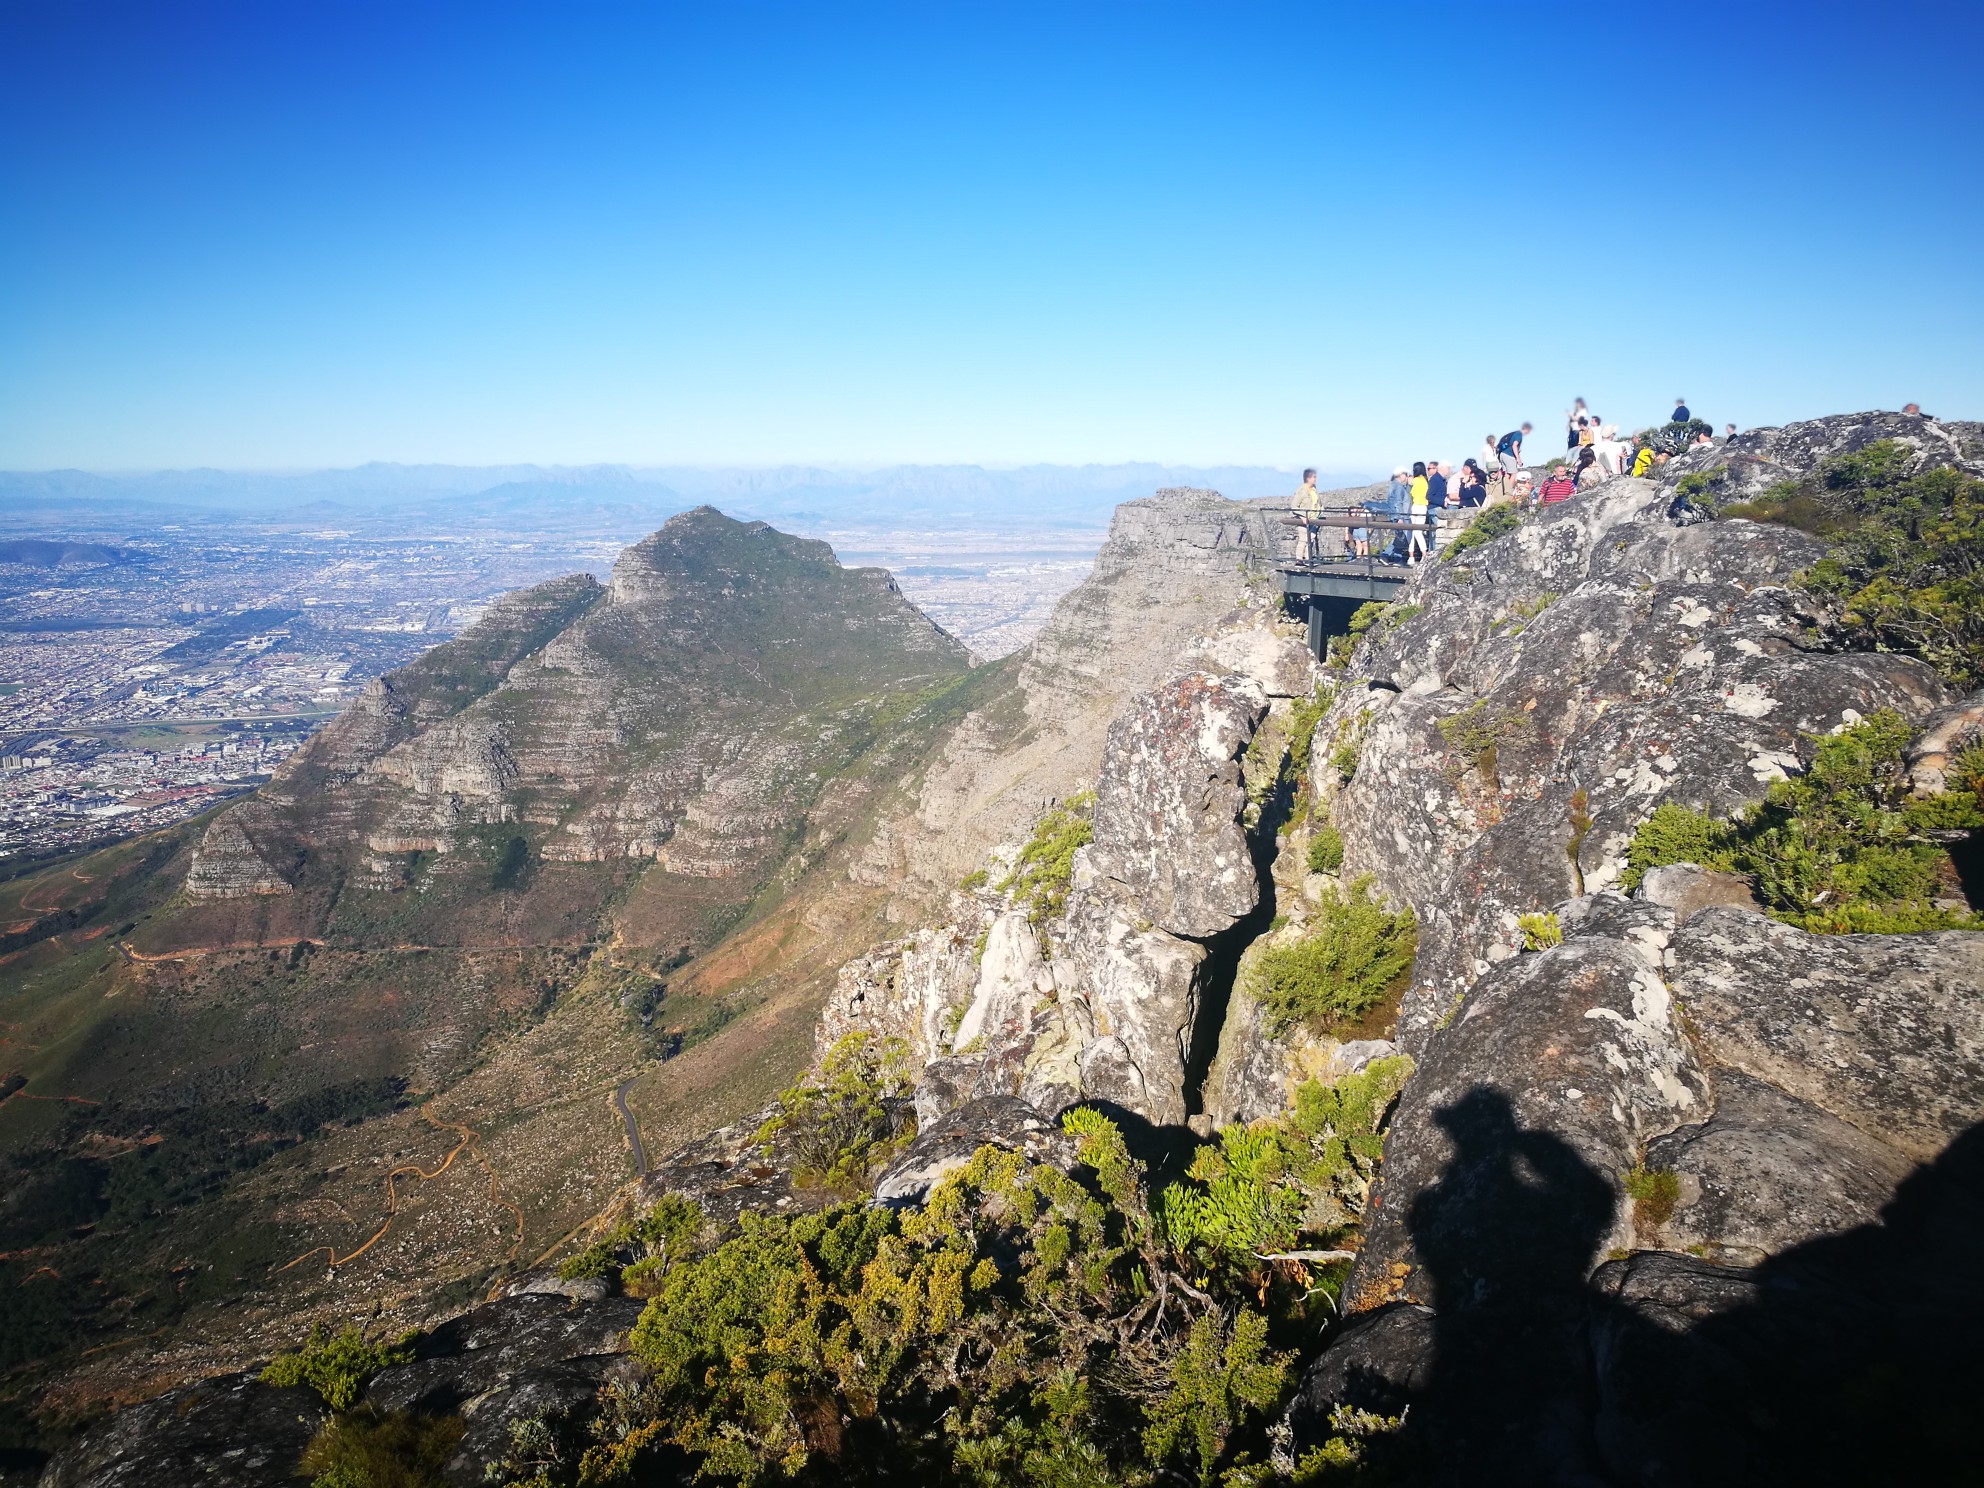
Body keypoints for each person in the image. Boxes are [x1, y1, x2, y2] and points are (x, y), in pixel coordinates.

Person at [1287, 467, 1325, 559]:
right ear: (1308, 478)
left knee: (1310, 539)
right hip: (1304, 519)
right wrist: (1302, 516)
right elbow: (1294, 506)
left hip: (1313, 518)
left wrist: (1321, 510)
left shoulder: (1313, 489)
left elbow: (1317, 503)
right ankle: (1299, 560)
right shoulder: (1302, 491)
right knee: (1303, 540)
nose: (1315, 479)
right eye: (1313, 477)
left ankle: (1308, 559)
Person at [1408, 461, 1431, 563]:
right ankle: (1417, 555)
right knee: (1417, 531)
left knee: (1415, 532)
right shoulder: (1425, 481)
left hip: (1416, 506)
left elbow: (1411, 491)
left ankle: (1421, 554)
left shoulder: (1416, 480)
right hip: (1423, 507)